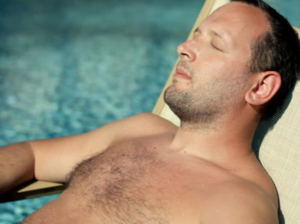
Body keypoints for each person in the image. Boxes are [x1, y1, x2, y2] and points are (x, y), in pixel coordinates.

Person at [1, 0, 299, 223]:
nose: (184, 47)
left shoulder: (238, 205)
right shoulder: (141, 129)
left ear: (260, 88)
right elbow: (32, 153)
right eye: (196, 35)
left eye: (216, 45)